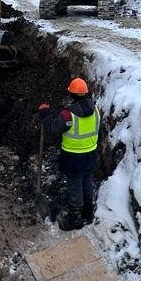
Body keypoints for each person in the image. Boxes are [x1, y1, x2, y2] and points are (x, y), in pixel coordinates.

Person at [38, 77, 101, 231]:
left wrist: (45, 114)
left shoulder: (68, 115)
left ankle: (76, 216)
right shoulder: (96, 110)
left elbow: (52, 129)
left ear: (71, 94)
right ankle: (88, 211)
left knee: (75, 185)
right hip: (91, 154)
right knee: (86, 180)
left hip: (74, 157)